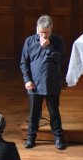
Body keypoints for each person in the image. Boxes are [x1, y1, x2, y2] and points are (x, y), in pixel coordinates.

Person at [20, 15, 65, 150]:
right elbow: (24, 63)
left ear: (51, 30)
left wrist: (49, 47)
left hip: (51, 83)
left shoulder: (58, 41)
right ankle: (30, 138)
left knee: (54, 113)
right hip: (34, 84)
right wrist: (27, 80)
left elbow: (60, 60)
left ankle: (58, 138)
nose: (43, 36)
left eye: (46, 33)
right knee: (33, 114)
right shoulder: (29, 41)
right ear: (37, 29)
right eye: (40, 32)